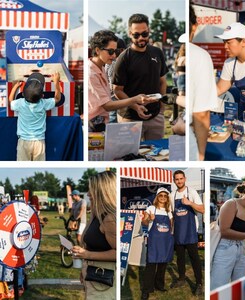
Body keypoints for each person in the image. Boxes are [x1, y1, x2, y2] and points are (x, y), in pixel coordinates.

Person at [113, 14, 168, 140]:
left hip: (155, 116)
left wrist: (162, 105)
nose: (141, 38)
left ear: (149, 31)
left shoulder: (157, 52)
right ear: (130, 34)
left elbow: (162, 82)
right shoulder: (124, 58)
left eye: (144, 34)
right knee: (130, 156)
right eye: (136, 35)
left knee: (158, 155)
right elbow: (117, 90)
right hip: (130, 118)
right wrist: (135, 106)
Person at [89, 30, 155, 132]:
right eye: (110, 51)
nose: (114, 56)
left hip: (99, 122)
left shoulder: (100, 67)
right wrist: (135, 100)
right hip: (93, 125)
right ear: (97, 50)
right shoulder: (92, 74)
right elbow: (107, 105)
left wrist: (135, 106)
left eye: (116, 51)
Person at [72, 171, 116, 300]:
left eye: (91, 190)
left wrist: (86, 254)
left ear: (102, 191)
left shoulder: (109, 218)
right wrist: (84, 268)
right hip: (93, 275)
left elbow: (118, 253)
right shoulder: (97, 214)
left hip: (103, 279)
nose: (88, 194)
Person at [9, 72, 61, 161]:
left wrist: (14, 87)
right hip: (39, 142)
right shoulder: (43, 103)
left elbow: (11, 101)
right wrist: (56, 82)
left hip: (23, 142)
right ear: (42, 96)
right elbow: (57, 99)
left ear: (23, 94)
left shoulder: (20, 103)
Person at [189, 4, 218, 160]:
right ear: (194, 26)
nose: (226, 46)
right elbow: (201, 113)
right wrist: (200, 156)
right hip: (189, 139)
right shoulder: (201, 55)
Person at [169, 170, 204, 295]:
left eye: (181, 178)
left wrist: (189, 203)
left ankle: (199, 283)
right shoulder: (171, 195)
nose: (179, 181)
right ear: (174, 181)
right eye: (176, 179)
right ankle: (182, 278)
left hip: (190, 232)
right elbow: (172, 214)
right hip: (178, 232)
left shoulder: (192, 192)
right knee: (180, 258)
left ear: (185, 179)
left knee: (194, 259)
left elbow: (203, 209)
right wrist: (171, 230)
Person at [141, 187, 174, 300]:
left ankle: (159, 285)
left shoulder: (168, 211)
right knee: (150, 266)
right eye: (161, 195)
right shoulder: (151, 208)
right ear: (157, 197)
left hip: (165, 242)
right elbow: (144, 222)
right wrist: (149, 219)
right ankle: (146, 290)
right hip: (154, 243)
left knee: (162, 265)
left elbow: (171, 225)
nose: (163, 198)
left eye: (165, 196)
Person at [105, 38, 127, 123]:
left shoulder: (109, 61)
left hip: (112, 100)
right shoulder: (116, 63)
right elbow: (113, 86)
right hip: (115, 101)